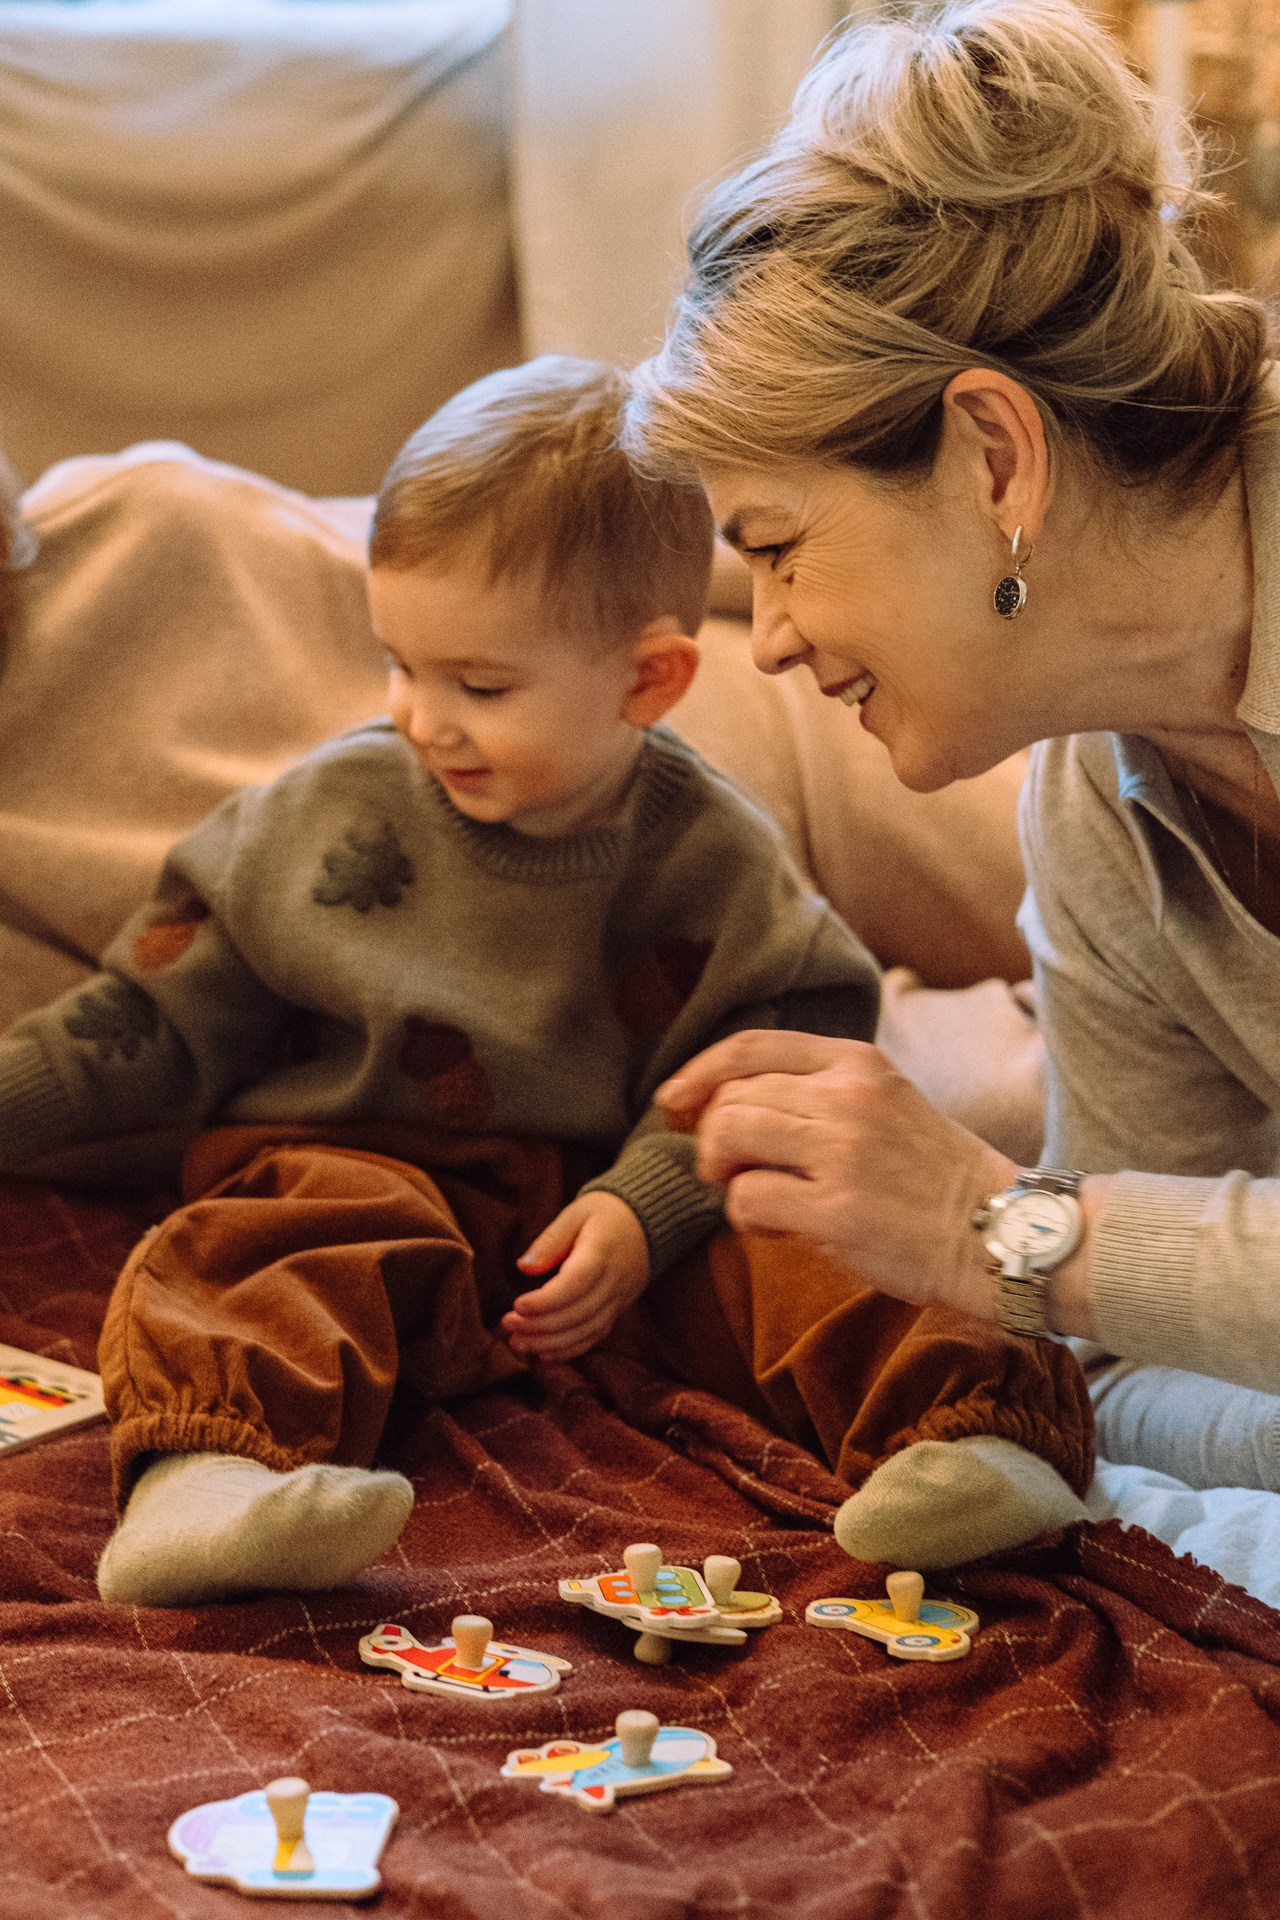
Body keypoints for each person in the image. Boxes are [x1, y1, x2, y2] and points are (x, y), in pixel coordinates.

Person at [0, 356, 1090, 1605]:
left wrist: (642, 1209)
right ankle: (212, 1477)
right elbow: (140, 1026)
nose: (421, 719)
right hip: (367, 1162)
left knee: (825, 1232)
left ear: (648, 680)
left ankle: (968, 1441)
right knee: (254, 1247)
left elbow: (765, 1064)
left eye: (480, 685)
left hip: (619, 1201)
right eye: (399, 665)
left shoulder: (712, 851)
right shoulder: (316, 819)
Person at [622, 0, 1280, 1493]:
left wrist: (1001, 1229)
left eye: (779, 547)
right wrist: (1055, 1264)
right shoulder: (1100, 797)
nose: (772, 635)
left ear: (995, 455)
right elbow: (1118, 1359)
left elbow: (1066, 1271)